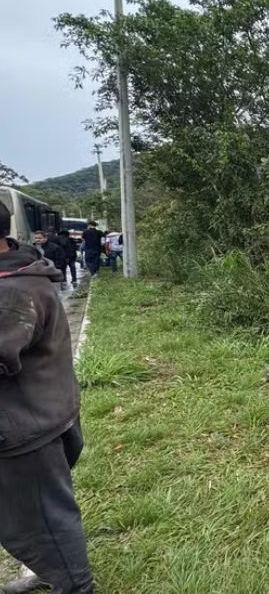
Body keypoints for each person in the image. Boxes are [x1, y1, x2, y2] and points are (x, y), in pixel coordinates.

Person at [0, 202, 94, 593]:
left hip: (26, 426)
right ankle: (54, 573)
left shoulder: (11, 293)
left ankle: (74, 585)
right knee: (35, 513)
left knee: (45, 518)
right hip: (46, 411)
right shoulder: (23, 273)